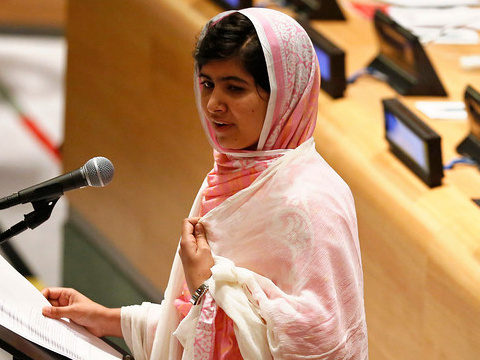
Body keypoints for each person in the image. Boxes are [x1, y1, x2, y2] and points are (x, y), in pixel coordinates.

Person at [41, 7, 368, 359]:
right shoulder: (233, 173)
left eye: (235, 88)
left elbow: (319, 347)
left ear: (283, 96)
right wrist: (107, 319)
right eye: (207, 84)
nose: (213, 105)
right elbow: (196, 325)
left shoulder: (312, 203)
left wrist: (205, 285)